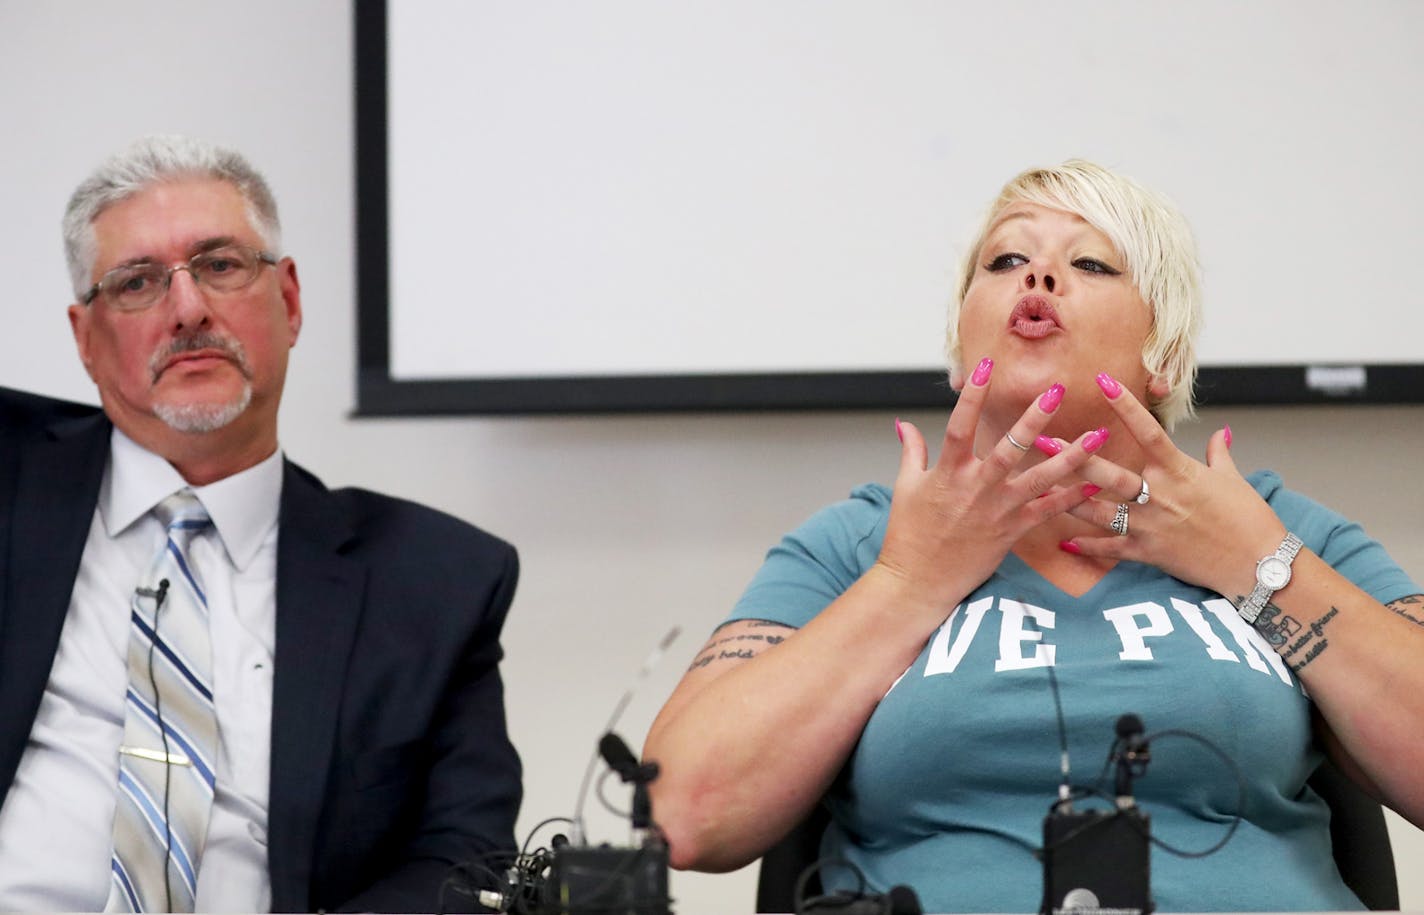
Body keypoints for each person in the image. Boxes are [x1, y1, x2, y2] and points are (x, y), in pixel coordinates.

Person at [643, 160, 1424, 912]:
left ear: (1167, 355)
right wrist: (908, 582)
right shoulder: (857, 542)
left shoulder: (1278, 528)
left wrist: (1258, 567)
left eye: (1090, 263)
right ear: (959, 348)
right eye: (1008, 257)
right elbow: (683, 812)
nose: (1039, 278)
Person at [0, 136, 521, 912]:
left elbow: (461, 859)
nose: (188, 309)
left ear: (290, 300)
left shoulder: (433, 583)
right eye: (138, 281)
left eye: (219, 264)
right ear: (86, 338)